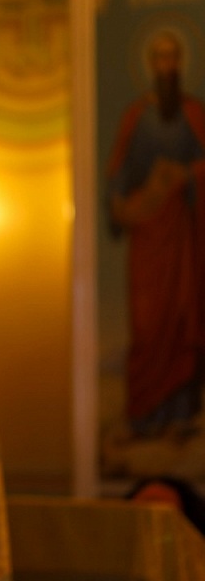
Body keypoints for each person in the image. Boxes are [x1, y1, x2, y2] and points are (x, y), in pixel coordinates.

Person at [107, 29, 205, 439]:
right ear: (151, 64)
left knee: (182, 315)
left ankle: (181, 413)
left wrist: (185, 174)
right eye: (160, 58)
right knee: (148, 324)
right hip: (148, 235)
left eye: (173, 57)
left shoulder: (194, 114)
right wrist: (121, 202)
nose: (167, 65)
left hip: (182, 232)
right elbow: (119, 174)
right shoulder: (137, 116)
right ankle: (145, 416)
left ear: (180, 63)